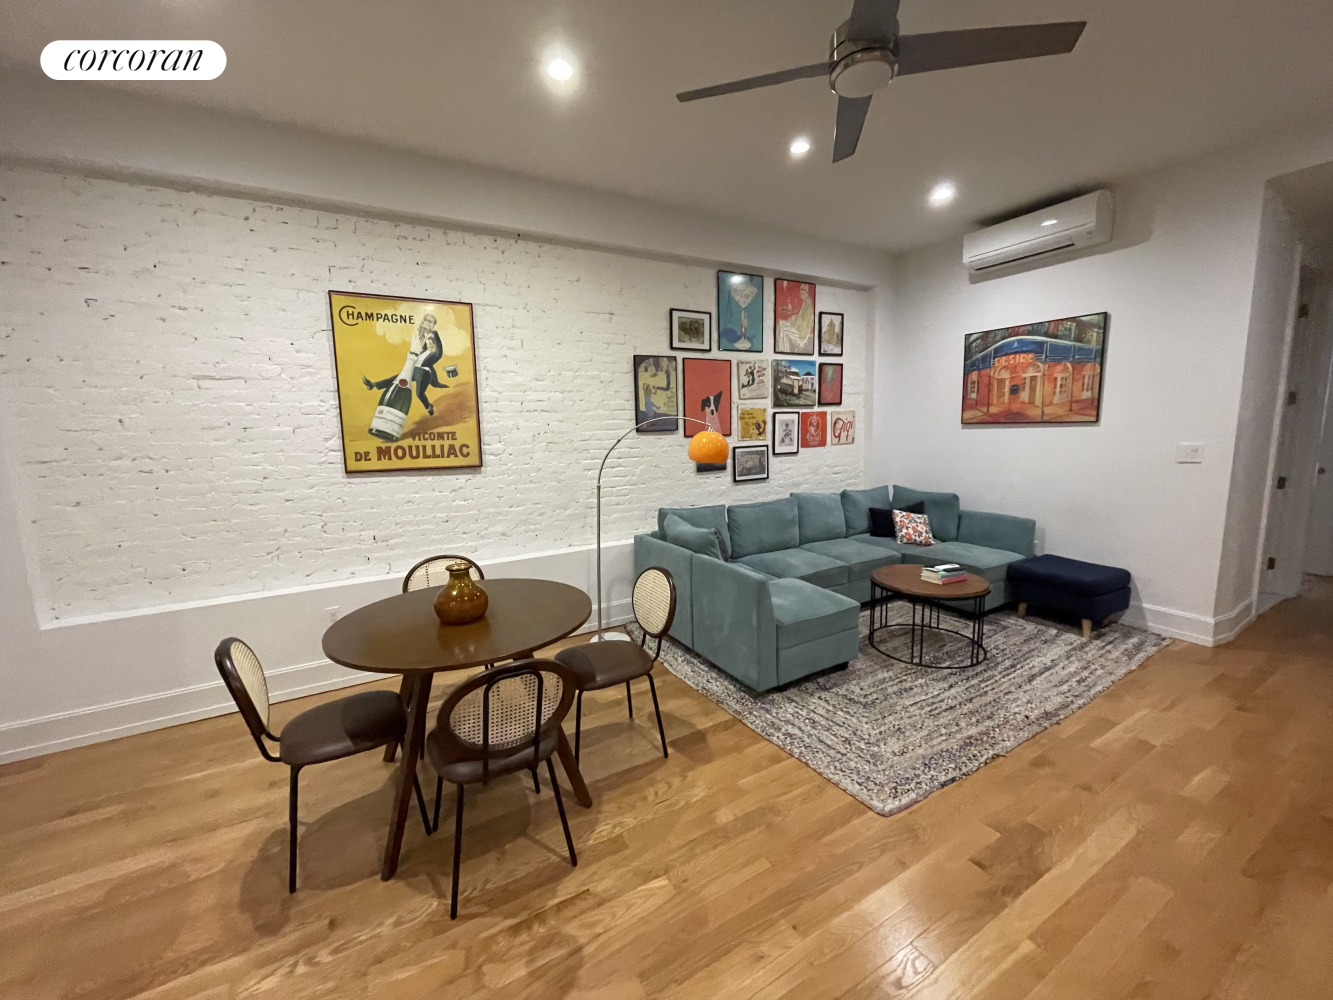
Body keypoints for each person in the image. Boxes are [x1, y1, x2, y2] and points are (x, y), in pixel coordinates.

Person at [362, 315, 449, 415]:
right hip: (415, 368)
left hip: (424, 371)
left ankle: (429, 407)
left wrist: (422, 361)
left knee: (419, 394)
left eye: (430, 324)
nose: (427, 325)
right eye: (426, 323)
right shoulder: (418, 335)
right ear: (422, 323)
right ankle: (374, 385)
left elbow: (436, 353)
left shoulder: (432, 335)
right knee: (397, 378)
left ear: (432, 326)